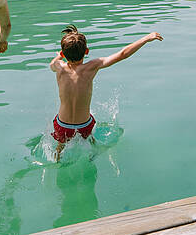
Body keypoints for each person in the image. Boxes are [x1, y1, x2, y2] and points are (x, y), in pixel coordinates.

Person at [49, 25, 163, 160]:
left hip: (63, 124)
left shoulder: (58, 66)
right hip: (84, 125)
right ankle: (93, 153)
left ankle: (57, 160)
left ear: (63, 54)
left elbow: (52, 64)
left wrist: (58, 57)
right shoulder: (92, 66)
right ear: (86, 51)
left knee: (59, 147)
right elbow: (122, 54)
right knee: (90, 139)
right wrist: (145, 38)